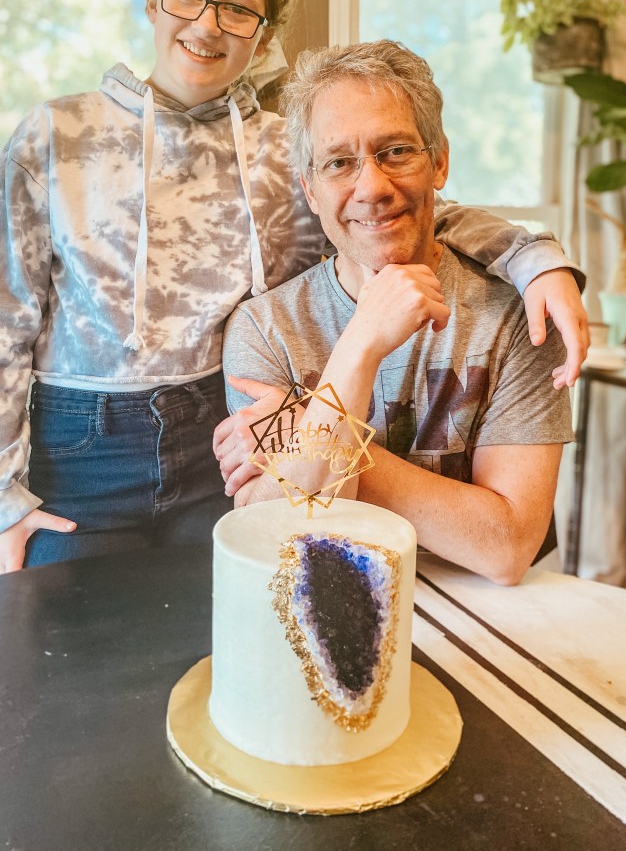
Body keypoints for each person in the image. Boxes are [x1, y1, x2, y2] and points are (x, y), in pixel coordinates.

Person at [0, 0, 585, 575]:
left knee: (230, 624)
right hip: (84, 446)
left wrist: (532, 260)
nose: (207, 24)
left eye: (237, 8)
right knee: (72, 629)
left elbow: (396, 214)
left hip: (226, 426)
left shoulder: (286, 149)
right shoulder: (57, 135)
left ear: (264, 32)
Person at [215, 40, 576, 586]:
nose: (372, 187)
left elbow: (507, 548)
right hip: (325, 602)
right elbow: (278, 536)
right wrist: (361, 344)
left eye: (397, 151)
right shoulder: (263, 329)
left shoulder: (519, 313)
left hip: (486, 607)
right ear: (310, 191)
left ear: (440, 161)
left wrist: (312, 428)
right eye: (339, 163)